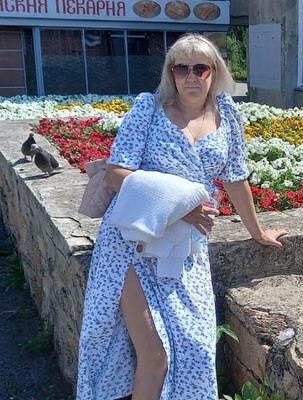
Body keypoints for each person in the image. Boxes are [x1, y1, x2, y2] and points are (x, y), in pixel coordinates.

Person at [77, 33, 288, 400]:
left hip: (185, 248)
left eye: (200, 68)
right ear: (170, 73)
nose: (191, 76)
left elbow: (235, 178)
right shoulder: (148, 109)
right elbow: (115, 174)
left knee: (196, 347)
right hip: (130, 244)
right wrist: (181, 205)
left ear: (215, 72)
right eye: (181, 68)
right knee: (155, 354)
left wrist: (257, 233)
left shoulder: (227, 116)